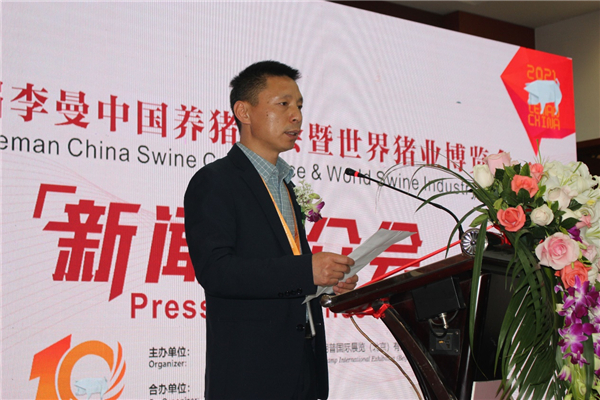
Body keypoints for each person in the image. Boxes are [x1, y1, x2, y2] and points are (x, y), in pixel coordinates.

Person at [184, 60, 358, 400]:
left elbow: (284, 271)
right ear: (244, 112)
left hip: (303, 365)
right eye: (283, 104)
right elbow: (216, 271)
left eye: (299, 106)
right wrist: (305, 270)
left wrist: (325, 283)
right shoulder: (216, 181)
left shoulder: (286, 186)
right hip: (250, 375)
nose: (296, 116)